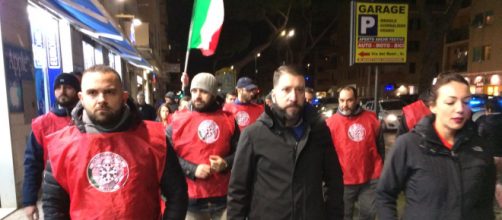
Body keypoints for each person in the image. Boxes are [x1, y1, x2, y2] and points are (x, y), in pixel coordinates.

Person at [42, 65, 188, 219]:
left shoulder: (155, 139)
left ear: (124, 97)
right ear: (81, 98)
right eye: (92, 93)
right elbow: (54, 206)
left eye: (109, 92)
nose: (101, 100)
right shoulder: (62, 146)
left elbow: (177, 195)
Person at [227, 65, 344, 219]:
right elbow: (238, 192)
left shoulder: (319, 132)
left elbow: (334, 181)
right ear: (274, 94)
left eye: (299, 90)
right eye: (286, 89)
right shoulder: (253, 135)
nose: (294, 97)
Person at [376, 73, 495, 220]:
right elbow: (385, 195)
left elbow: (485, 205)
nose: (460, 109)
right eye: (450, 102)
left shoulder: (481, 147)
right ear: (433, 106)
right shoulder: (408, 145)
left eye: (466, 102)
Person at [168, 72, 240, 220]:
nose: (197, 96)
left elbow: (241, 152)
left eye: (204, 91)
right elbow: (168, 156)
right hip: (191, 201)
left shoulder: (229, 120)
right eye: (194, 91)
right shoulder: (177, 120)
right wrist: (192, 170)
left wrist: (226, 163)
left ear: (213, 93)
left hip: (223, 199)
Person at [22, 73, 80, 220]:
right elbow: (32, 163)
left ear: (78, 91)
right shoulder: (42, 124)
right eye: (58, 88)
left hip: (84, 191)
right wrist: (29, 200)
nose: (62, 91)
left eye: (67, 87)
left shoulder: (89, 120)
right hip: (55, 194)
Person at [325, 86, 384, 220]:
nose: (345, 105)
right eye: (342, 100)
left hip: (370, 179)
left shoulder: (372, 119)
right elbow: (327, 155)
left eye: (349, 100)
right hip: (344, 181)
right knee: (344, 216)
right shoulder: (330, 124)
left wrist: (380, 169)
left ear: (357, 100)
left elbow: (380, 147)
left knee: (369, 215)